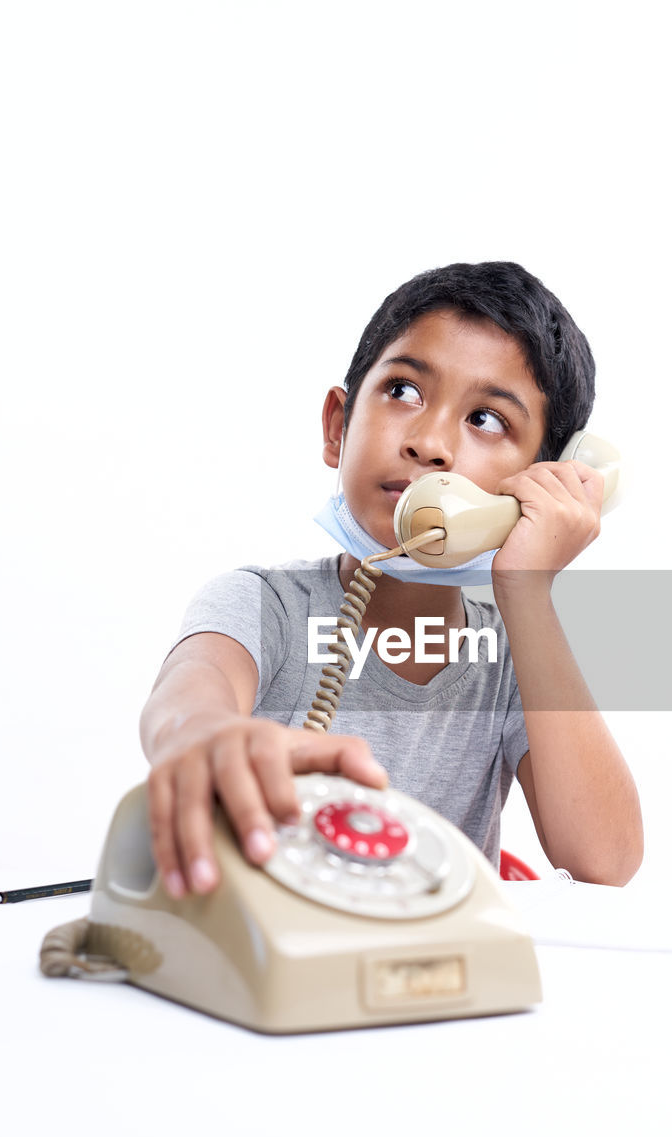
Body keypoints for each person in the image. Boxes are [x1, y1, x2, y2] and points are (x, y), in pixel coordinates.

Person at [140, 261, 643, 897]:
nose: (430, 443)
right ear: (336, 427)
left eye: (487, 419)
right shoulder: (263, 606)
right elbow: (188, 696)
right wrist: (205, 737)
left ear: (544, 479)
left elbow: (606, 859)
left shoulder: (517, 659)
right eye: (404, 390)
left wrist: (528, 589)